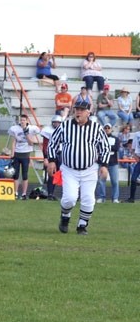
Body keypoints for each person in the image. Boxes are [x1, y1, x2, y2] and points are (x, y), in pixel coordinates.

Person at [48, 97, 110, 235]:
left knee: (88, 199)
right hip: (69, 169)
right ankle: (65, 217)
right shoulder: (65, 126)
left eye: (82, 110)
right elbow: (53, 143)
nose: (78, 112)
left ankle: (82, 225)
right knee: (69, 198)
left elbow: (105, 147)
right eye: (76, 109)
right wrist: (52, 160)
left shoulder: (96, 128)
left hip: (89, 169)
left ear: (88, 112)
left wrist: (104, 165)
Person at [8, 114, 40, 200]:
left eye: (23, 120)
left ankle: (24, 193)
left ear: (27, 120)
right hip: (17, 154)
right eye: (21, 120)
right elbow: (14, 142)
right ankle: (15, 192)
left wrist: (26, 133)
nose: (22, 121)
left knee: (25, 175)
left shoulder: (31, 129)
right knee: (16, 175)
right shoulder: (15, 129)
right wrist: (12, 153)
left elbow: (31, 143)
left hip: (26, 154)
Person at [40, 115, 63, 200]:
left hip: (62, 154)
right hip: (52, 155)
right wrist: (45, 157)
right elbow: (45, 145)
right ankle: (50, 193)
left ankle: (67, 194)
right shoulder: (48, 130)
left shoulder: (64, 130)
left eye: (58, 122)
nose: (56, 124)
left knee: (66, 175)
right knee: (51, 175)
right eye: (55, 122)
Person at [95, 123, 120, 203]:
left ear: (111, 129)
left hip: (113, 163)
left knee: (115, 181)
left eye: (108, 128)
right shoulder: (99, 138)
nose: (107, 129)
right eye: (105, 128)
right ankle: (101, 197)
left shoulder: (115, 138)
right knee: (101, 181)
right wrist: (108, 147)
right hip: (102, 163)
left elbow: (116, 148)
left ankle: (115, 198)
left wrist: (105, 147)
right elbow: (98, 148)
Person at [124, 132, 140, 203]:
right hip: (139, 160)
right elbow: (132, 148)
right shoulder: (136, 134)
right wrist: (135, 156)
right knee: (133, 179)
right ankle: (131, 198)